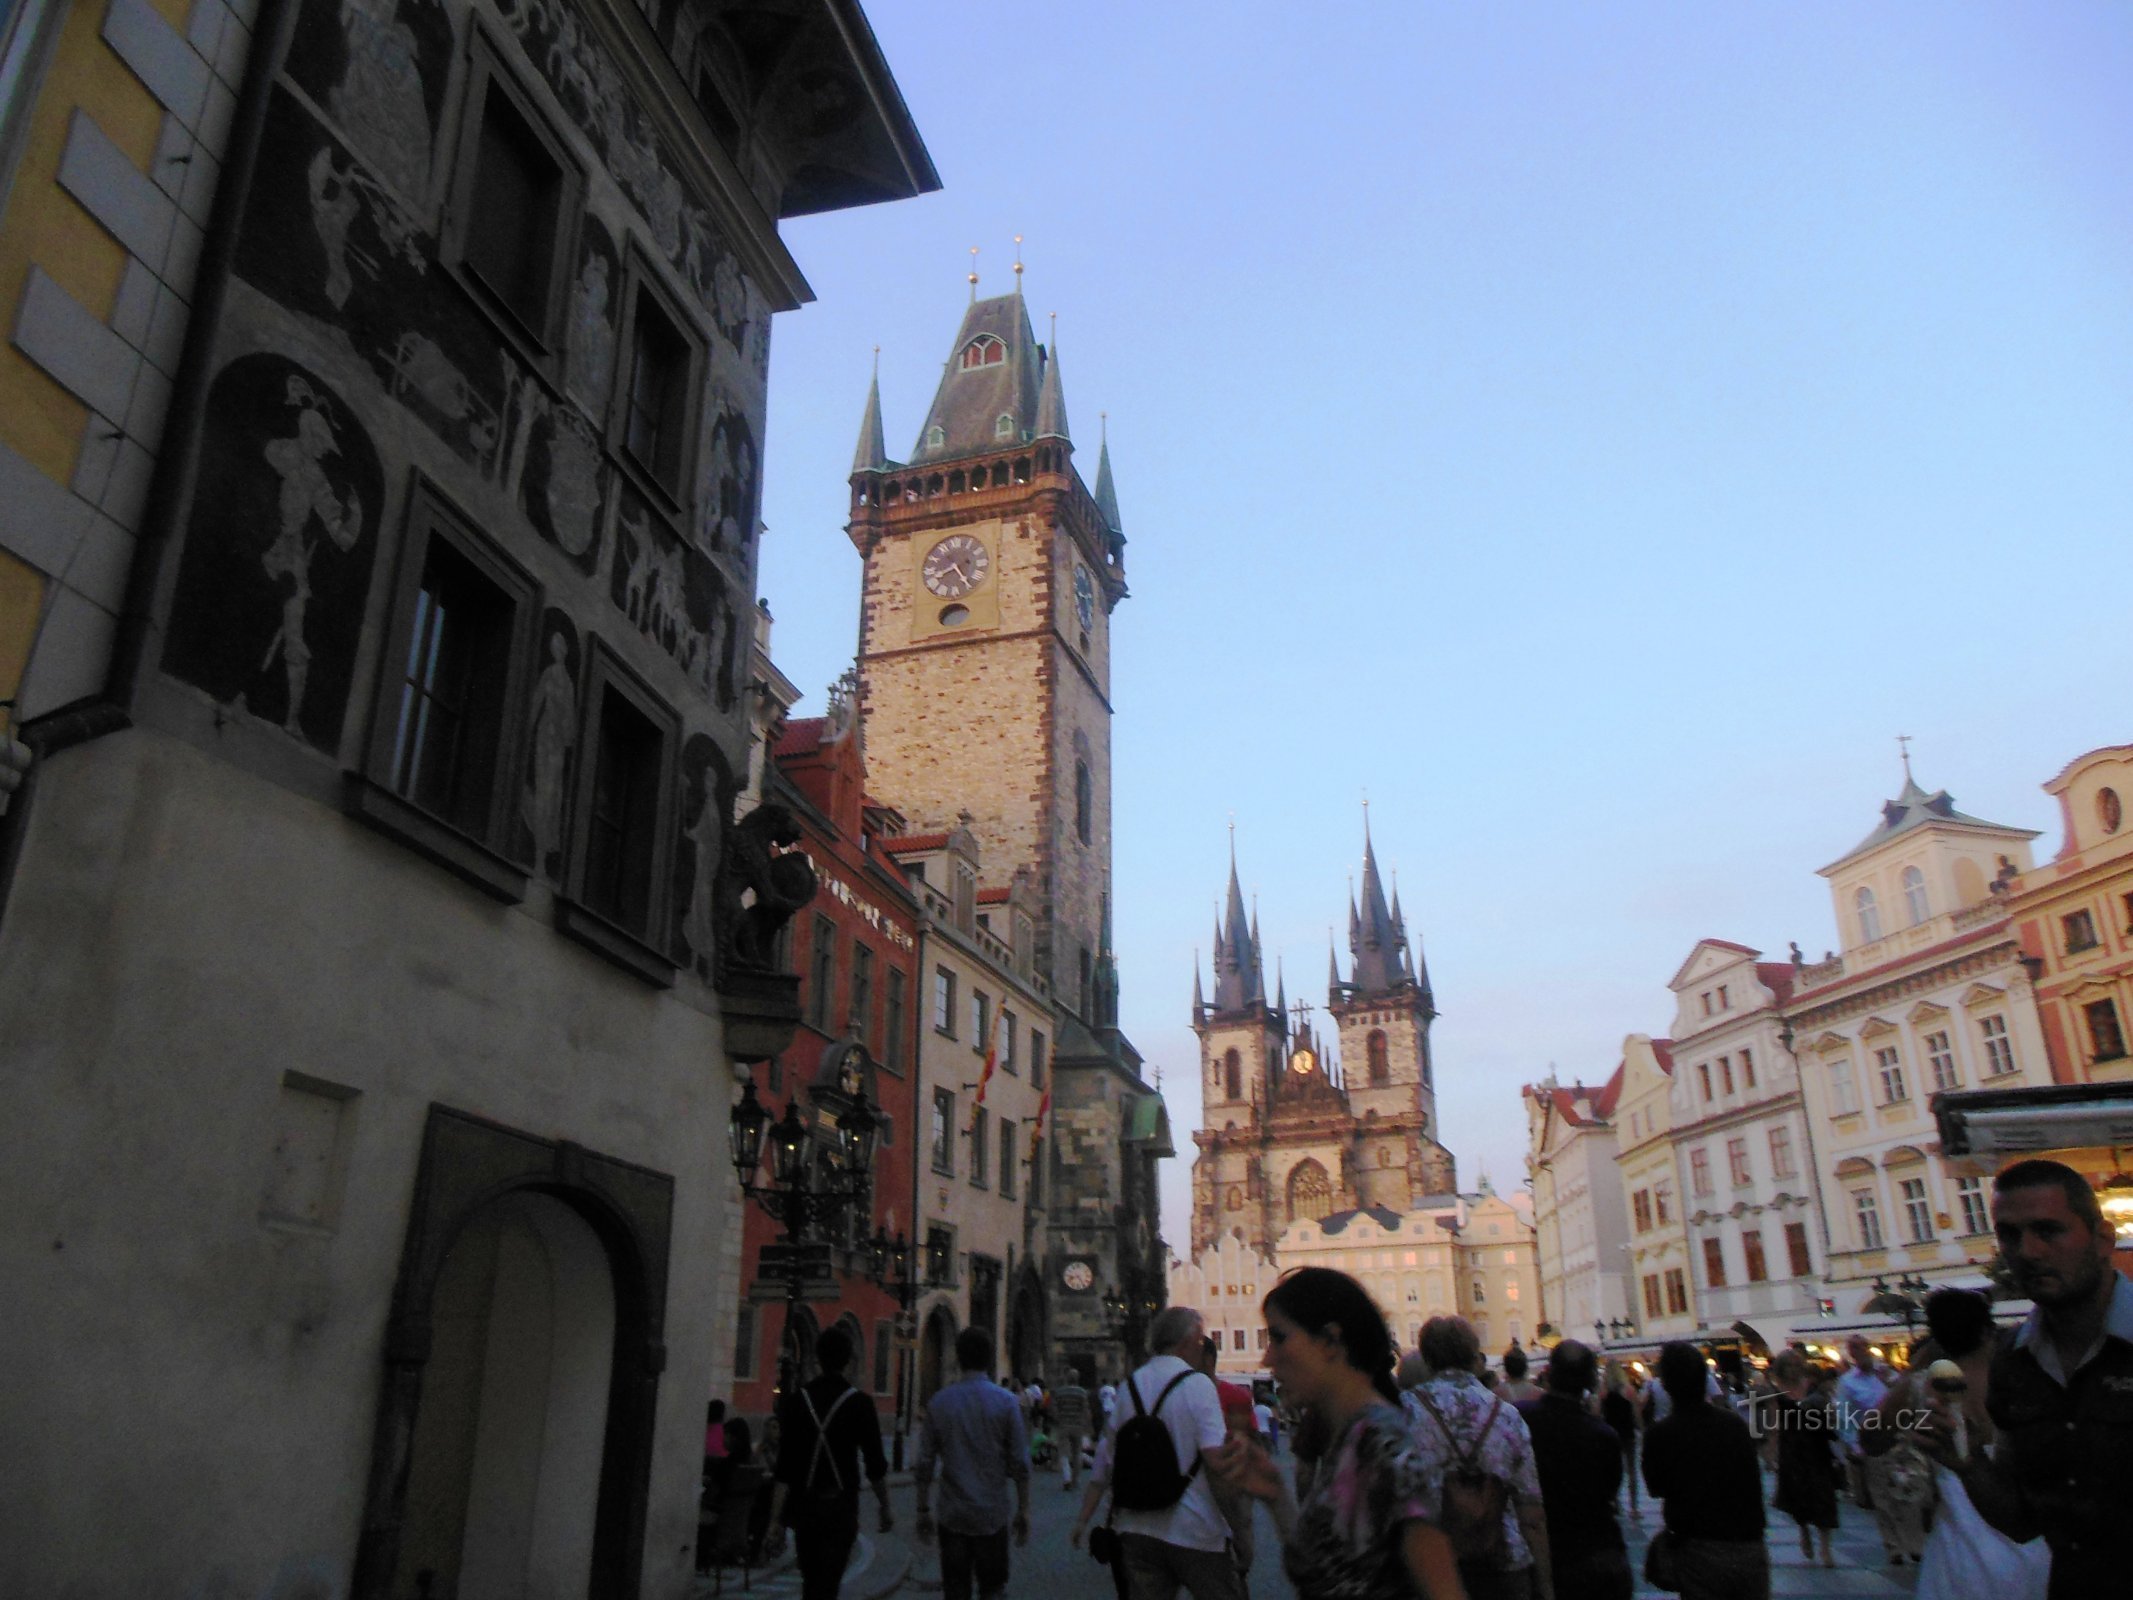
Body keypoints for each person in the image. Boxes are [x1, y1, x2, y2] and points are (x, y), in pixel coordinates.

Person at [1922, 1158, 2132, 1599]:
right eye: (2010, 1235)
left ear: (2101, 1238)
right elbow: (2020, 1520)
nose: (2028, 1252)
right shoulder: (2014, 1362)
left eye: (2049, 1230)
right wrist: (1968, 1463)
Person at [1203, 1268, 1465, 1600]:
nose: (1267, 1357)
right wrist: (1276, 1495)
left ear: (1330, 1341)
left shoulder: (1385, 1446)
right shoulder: (1351, 1436)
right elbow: (1321, 1571)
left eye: (1279, 1337)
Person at [1069, 1306, 1243, 1600]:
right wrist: (1240, 1530)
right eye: (1201, 1342)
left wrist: (1083, 1520)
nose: (1202, 1350)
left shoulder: (1128, 1386)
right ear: (1186, 1341)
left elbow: (1103, 1464)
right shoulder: (1199, 1385)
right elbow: (1215, 1464)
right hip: (1197, 1530)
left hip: (1136, 1530)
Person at [1405, 1316, 1551, 1600]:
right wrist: (1546, 1587)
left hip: (1431, 1567)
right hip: (1503, 1562)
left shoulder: (1405, 1412)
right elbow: (1532, 1513)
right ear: (1474, 1356)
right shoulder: (1507, 1416)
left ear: (1427, 1358)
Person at [767, 1328, 892, 1600]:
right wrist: (885, 1507)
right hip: (840, 1507)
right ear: (848, 1361)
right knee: (830, 1581)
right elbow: (875, 1465)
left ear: (816, 1359)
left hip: (805, 1507)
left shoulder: (798, 1401)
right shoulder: (860, 1403)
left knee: (811, 1580)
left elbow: (784, 1468)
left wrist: (775, 1520)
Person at [1641, 1342, 1768, 1600]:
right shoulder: (1734, 1425)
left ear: (1665, 1385)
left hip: (1699, 1549)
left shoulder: (1660, 1435)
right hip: (1749, 1546)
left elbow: (1656, 1488)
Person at [915, 1327, 1032, 1600]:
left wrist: (922, 1508)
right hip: (991, 1513)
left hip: (952, 1512)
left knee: (956, 1589)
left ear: (958, 1358)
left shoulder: (940, 1402)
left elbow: (924, 1462)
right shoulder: (1006, 1402)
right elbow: (1019, 1462)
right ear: (990, 1358)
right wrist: (1024, 1508)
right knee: (993, 1588)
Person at [1518, 1340, 1628, 1600]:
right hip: (1596, 1552)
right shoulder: (1603, 1435)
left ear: (1549, 1373)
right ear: (1590, 1380)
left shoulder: (1523, 1419)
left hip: (1545, 1552)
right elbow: (1611, 1490)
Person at [1765, 1350, 1839, 1569]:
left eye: (1798, 1364)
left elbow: (1830, 1413)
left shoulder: (1813, 1387)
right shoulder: (1777, 1393)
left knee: (1824, 1496)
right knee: (1798, 1497)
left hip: (1817, 1447)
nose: (1795, 1369)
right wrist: (1772, 1455)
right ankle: (1804, 1530)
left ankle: (1825, 1547)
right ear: (1781, 1368)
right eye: (1790, 1365)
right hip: (1792, 1451)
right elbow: (1774, 1426)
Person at [1832, 1334, 1888, 1520]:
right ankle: (1894, 1542)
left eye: (1862, 1346)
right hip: (1868, 1442)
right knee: (1879, 1496)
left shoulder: (1885, 1374)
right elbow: (1843, 1417)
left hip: (1894, 1438)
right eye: (1854, 1347)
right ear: (1850, 1353)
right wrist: (1855, 1445)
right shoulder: (1847, 1382)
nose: (1860, 1351)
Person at [1598, 1374, 1640, 1522]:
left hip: (1611, 1434)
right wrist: (1640, 1428)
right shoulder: (1629, 1391)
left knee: (1613, 1469)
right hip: (1628, 1433)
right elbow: (1636, 1414)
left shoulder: (1603, 1392)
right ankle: (1634, 1507)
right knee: (1632, 1470)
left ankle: (1615, 1502)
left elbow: (1599, 1414)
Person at [1051, 1370, 1094, 1488]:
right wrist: (1088, 1425)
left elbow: (1054, 1409)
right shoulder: (1082, 1392)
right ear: (1077, 1379)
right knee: (1077, 1453)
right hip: (1078, 1426)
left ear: (1067, 1378)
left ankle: (1067, 1478)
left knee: (1064, 1452)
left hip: (1064, 1425)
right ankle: (1076, 1479)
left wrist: (1058, 1419)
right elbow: (1086, 1410)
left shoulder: (1060, 1392)